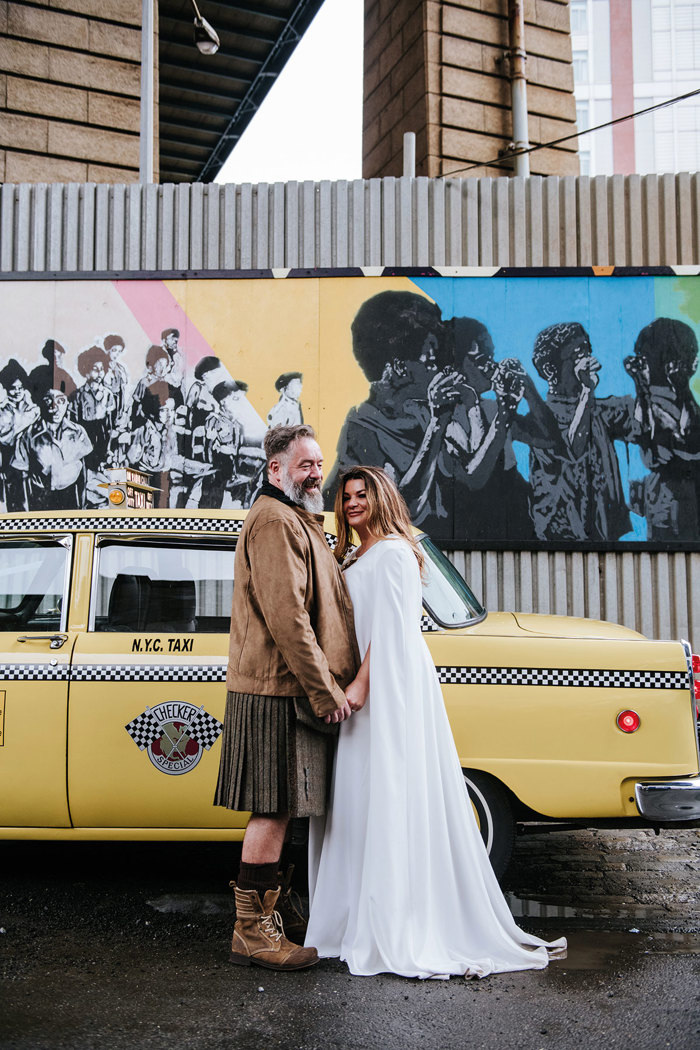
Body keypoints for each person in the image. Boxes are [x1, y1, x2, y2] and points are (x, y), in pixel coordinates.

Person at [305, 465, 566, 979]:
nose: (353, 502)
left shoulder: (397, 553)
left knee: (389, 791)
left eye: (363, 494)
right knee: (360, 798)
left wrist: (360, 685)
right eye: (347, 496)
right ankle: (353, 916)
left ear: (381, 499)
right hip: (369, 685)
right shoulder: (354, 553)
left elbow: (395, 629)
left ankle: (397, 921)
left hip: (390, 685)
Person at [214, 423, 360, 971]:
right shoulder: (274, 520)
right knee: (272, 809)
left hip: (285, 688)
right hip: (276, 690)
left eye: (319, 464)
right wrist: (325, 690)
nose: (318, 473)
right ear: (275, 470)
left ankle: (276, 915)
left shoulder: (295, 518)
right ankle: (252, 932)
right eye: (305, 465)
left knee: (287, 807)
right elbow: (288, 618)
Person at [529, 322, 639, 542]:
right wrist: (587, 390)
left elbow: (644, 420)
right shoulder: (541, 417)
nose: (589, 361)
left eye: (588, 351)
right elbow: (572, 449)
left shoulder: (599, 409)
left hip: (605, 536)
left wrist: (640, 379)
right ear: (551, 370)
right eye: (578, 354)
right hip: (559, 538)